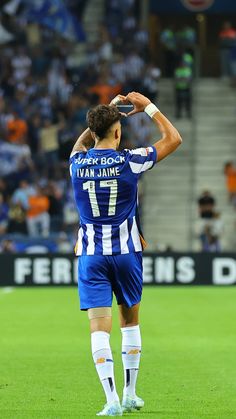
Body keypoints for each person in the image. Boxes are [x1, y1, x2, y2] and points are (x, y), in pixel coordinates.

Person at [69, 92, 182, 416]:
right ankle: (131, 393)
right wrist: (148, 107)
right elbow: (173, 138)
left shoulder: (78, 163)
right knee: (129, 323)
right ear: (117, 132)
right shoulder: (130, 159)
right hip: (126, 253)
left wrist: (104, 116)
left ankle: (112, 399)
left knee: (98, 329)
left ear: (92, 132)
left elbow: (79, 146)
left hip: (91, 255)